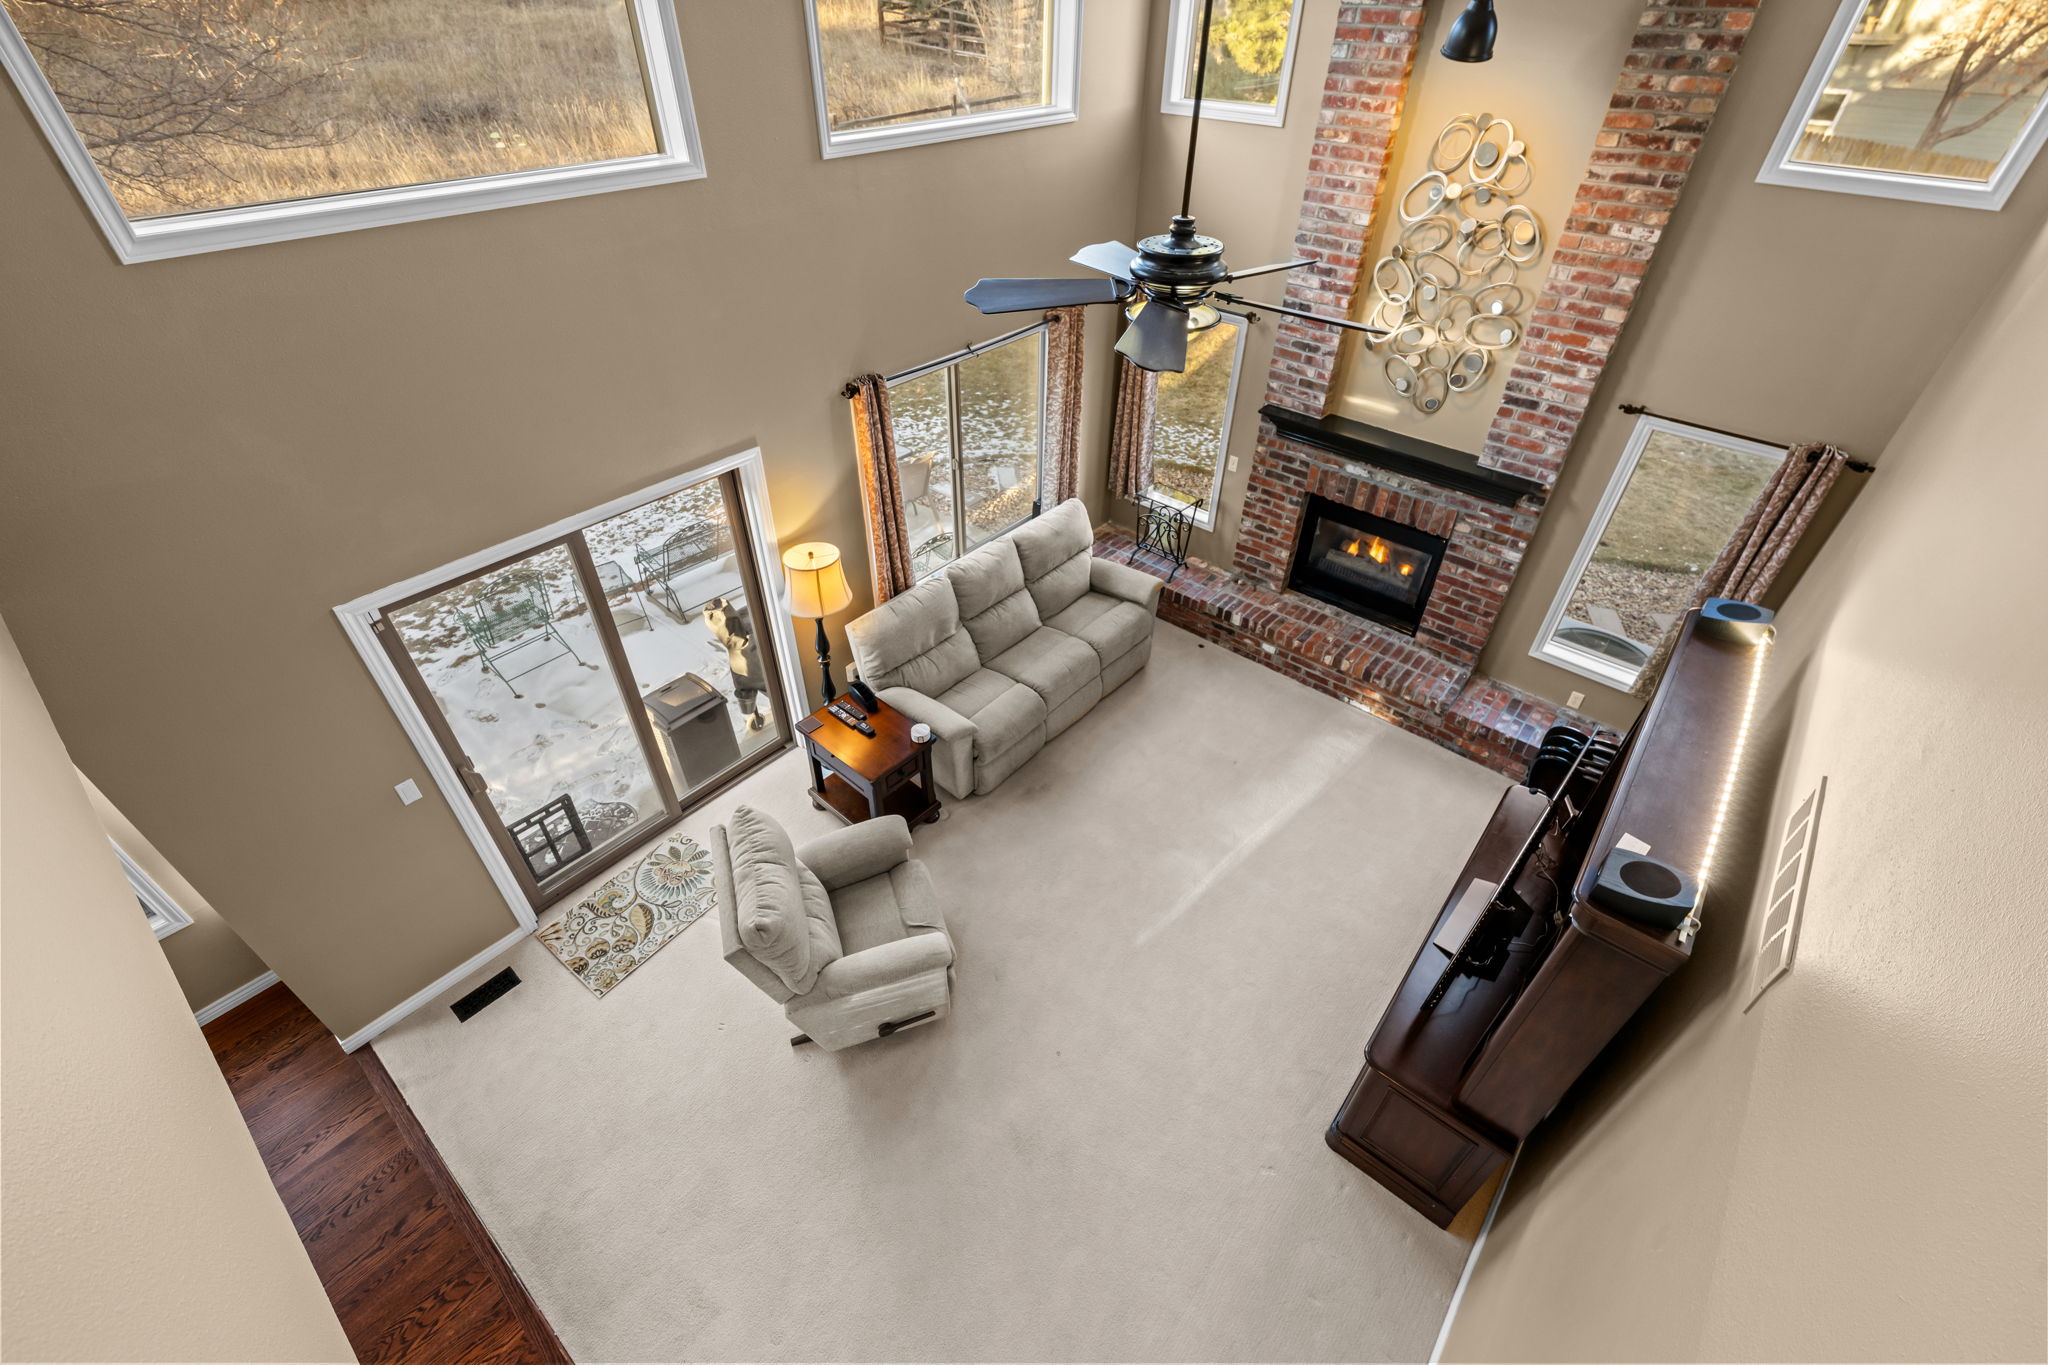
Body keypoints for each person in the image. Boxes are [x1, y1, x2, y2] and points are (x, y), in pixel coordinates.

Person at [703, 597, 767, 732]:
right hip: (752, 665)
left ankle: (750, 710)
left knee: (738, 648)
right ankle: (751, 710)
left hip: (744, 665)